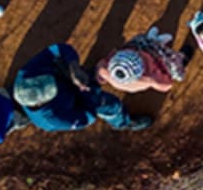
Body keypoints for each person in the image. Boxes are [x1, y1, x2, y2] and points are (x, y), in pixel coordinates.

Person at [11, 43, 149, 131]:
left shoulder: (27, 73)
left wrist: (73, 67)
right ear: (40, 103)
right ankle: (123, 122)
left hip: (68, 77)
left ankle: (90, 76)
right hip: (78, 102)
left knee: (92, 74)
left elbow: (58, 49)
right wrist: (87, 92)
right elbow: (87, 117)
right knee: (110, 105)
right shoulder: (53, 119)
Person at [98, 27, 188, 94]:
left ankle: (152, 39)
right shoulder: (150, 78)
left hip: (143, 49)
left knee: (144, 42)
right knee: (173, 63)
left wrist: (101, 79)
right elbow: (166, 85)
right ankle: (182, 59)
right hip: (158, 58)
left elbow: (100, 68)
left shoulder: (104, 70)